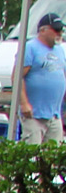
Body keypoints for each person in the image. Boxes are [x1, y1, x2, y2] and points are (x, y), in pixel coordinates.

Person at [20, 13, 66, 144]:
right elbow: (17, 78)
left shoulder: (60, 50)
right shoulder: (30, 48)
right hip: (34, 115)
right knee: (32, 155)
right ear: (43, 30)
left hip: (55, 115)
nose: (60, 33)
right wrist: (24, 103)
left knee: (53, 157)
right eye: (56, 30)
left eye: (61, 30)